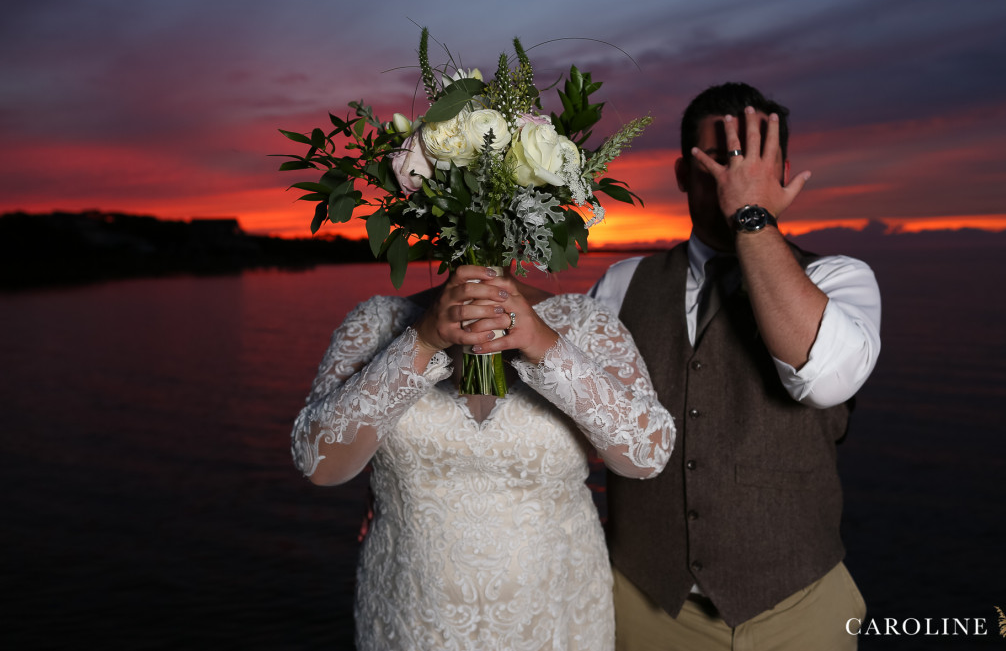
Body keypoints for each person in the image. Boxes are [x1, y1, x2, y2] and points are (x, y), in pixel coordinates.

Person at [589, 83, 881, 651]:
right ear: (680, 172)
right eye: (721, 159)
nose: (735, 176)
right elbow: (567, 414)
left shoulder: (841, 280)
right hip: (645, 608)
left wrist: (752, 214)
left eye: (751, 161)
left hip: (798, 612)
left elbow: (823, 381)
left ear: (780, 171)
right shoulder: (623, 285)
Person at [291, 265, 675, 651]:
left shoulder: (584, 319)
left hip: (557, 617)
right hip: (409, 617)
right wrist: (420, 342)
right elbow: (319, 465)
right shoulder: (377, 321)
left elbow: (647, 455)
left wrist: (546, 345)